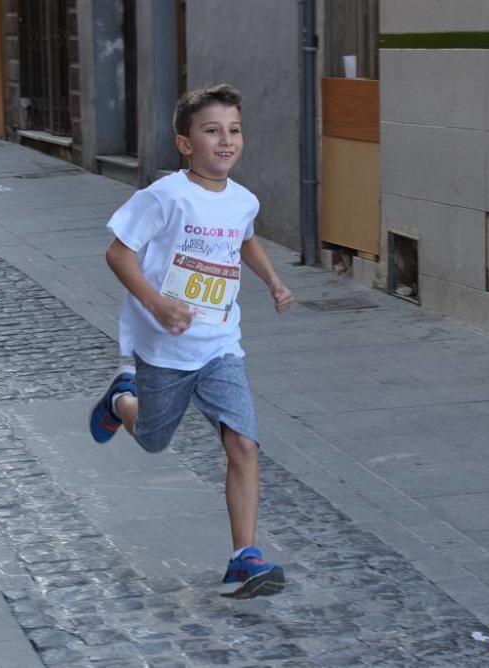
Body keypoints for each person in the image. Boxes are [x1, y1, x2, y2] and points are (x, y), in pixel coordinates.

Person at [89, 84, 294, 599]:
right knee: (154, 439)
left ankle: (243, 559)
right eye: (212, 131)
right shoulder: (164, 196)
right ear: (185, 143)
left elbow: (244, 235)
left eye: (234, 130)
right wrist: (157, 304)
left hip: (222, 345)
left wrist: (271, 279)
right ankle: (121, 398)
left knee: (243, 443)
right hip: (165, 349)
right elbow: (118, 254)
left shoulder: (244, 199)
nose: (226, 141)